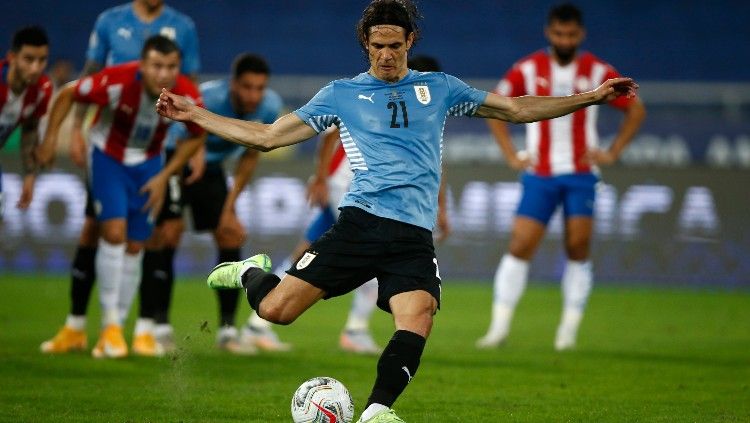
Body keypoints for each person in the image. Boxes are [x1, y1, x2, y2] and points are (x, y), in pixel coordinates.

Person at [156, 1, 637, 420]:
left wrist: (590, 98)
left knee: (419, 314)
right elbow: (265, 137)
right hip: (361, 225)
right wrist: (196, 114)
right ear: (365, 44)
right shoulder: (340, 94)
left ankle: (376, 410)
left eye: (395, 45)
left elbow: (514, 109)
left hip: (413, 235)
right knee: (276, 311)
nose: (386, 54)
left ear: (411, 41)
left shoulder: (441, 87)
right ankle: (250, 272)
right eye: (377, 45)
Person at [476, 3, 646, 351]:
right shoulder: (527, 68)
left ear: (580, 34)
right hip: (540, 173)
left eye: (571, 34)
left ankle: (567, 332)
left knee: (577, 247)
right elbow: (494, 108)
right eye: (559, 33)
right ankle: (498, 329)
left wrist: (612, 152)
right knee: (520, 245)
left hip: (582, 174)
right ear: (548, 33)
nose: (565, 39)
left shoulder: (598, 70)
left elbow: (635, 109)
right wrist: (510, 155)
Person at [39, 0, 201, 355]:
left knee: (136, 245)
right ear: (142, 64)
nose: (164, 74)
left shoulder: (185, 92)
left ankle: (126, 328)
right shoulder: (117, 80)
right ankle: (109, 326)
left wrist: (164, 177)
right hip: (108, 157)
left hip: (149, 164)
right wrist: (53, 138)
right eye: (157, 66)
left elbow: (197, 135)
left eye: (171, 67)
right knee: (111, 232)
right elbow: (68, 91)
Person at [271, 54, 450, 355]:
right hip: (352, 188)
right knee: (378, 252)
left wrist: (441, 207)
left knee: (305, 252)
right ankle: (355, 328)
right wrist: (320, 177)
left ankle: (258, 322)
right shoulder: (374, 98)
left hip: (355, 192)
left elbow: (431, 168)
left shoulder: (424, 117)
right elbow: (328, 133)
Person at [158, 53, 289, 355]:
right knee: (168, 234)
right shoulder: (207, 97)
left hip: (212, 169)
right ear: (233, 84)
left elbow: (250, 156)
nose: (253, 95)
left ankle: (228, 331)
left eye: (259, 88)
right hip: (174, 159)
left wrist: (229, 207)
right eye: (247, 87)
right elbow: (182, 135)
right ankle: (159, 326)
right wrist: (195, 153)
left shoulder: (269, 106)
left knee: (230, 232)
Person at [0, 26, 52, 217]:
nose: (35, 68)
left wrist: (30, 175)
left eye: (42, 60)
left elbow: (30, 130)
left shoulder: (42, 91)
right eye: (29, 59)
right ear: (12, 57)